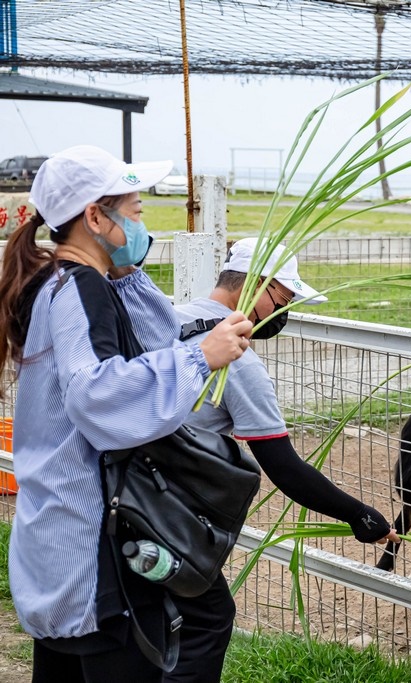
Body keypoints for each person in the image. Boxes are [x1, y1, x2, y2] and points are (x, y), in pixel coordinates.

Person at [0, 145, 253, 682]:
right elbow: (98, 395)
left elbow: (151, 340)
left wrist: (131, 277)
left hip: (55, 533)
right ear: (96, 216)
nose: (142, 224)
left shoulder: (58, 283)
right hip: (95, 543)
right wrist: (201, 356)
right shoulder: (80, 289)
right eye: (136, 212)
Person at [119, 236, 400, 682]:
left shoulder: (166, 321)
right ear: (258, 286)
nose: (283, 314)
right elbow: (284, 468)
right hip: (166, 512)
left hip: (120, 493)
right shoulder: (238, 364)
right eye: (283, 299)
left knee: (145, 619)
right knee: (208, 619)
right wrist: (358, 514)